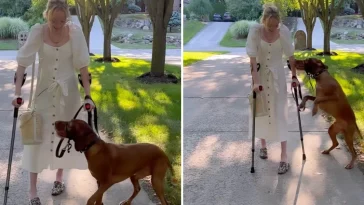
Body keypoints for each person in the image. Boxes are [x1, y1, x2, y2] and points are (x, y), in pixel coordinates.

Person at [12, 0, 94, 204]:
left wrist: (88, 95)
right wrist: (17, 93)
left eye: (61, 20)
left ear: (67, 17)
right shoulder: (38, 31)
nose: (57, 24)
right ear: (46, 15)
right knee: (36, 139)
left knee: (64, 137)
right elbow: (23, 62)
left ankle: (59, 179)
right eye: (53, 20)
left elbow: (83, 67)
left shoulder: (74, 32)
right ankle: (33, 191)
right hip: (44, 94)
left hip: (68, 96)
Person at [246, 3, 299, 175]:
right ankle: (263, 146)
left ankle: (284, 157)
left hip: (278, 78)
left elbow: (291, 56)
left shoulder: (283, 31)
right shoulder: (255, 31)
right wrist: (255, 82)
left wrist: (294, 77)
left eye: (275, 26)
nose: (272, 29)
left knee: (279, 113)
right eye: (269, 26)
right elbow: (253, 61)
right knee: (261, 111)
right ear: (263, 21)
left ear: (279, 23)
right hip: (260, 77)